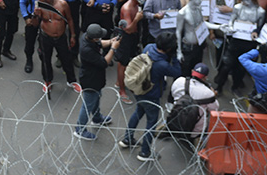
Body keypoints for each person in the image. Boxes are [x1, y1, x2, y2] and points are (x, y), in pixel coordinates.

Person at [118, 31, 181, 162]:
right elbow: (177, 72)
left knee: (137, 113)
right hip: (152, 95)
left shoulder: (148, 48)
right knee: (151, 123)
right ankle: (145, 152)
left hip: (139, 90)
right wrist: (174, 57)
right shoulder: (162, 65)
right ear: (169, 48)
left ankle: (127, 139)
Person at [74, 24, 118, 140]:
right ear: (94, 38)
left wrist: (111, 41)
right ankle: (80, 129)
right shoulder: (87, 50)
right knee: (88, 105)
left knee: (96, 97)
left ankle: (97, 118)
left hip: (96, 78)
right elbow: (104, 62)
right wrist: (113, 49)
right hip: (90, 80)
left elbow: (100, 43)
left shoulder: (86, 37)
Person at [33, 0, 80, 94]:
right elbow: (34, 24)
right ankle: (48, 81)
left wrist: (72, 35)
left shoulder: (62, 4)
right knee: (46, 60)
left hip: (61, 37)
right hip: (45, 37)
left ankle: (71, 81)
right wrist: (35, 15)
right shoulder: (39, 6)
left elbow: (70, 19)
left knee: (66, 59)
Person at [169, 63, 218, 138]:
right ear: (205, 77)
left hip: (176, 120)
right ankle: (198, 142)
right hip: (194, 131)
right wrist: (213, 95)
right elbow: (215, 109)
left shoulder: (179, 81)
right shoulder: (208, 93)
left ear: (192, 71)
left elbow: (173, 95)